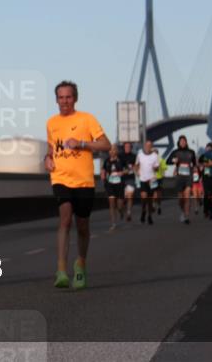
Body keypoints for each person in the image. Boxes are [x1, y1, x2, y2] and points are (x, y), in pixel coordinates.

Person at [45, 81, 111, 289]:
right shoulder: (51, 123)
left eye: (68, 97)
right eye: (61, 97)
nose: (64, 101)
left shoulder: (86, 119)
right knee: (65, 219)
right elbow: (51, 148)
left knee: (82, 225)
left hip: (83, 180)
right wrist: (47, 158)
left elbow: (106, 144)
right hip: (60, 178)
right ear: (56, 99)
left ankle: (80, 263)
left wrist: (81, 143)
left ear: (75, 98)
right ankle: (61, 270)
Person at [169, 135, 197, 224]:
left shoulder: (191, 152)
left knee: (187, 196)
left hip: (188, 177)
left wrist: (195, 170)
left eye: (184, 141)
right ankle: (183, 211)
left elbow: (194, 164)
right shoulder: (175, 152)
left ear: (186, 142)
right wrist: (174, 160)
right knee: (181, 199)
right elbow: (168, 161)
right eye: (181, 141)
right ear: (179, 143)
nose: (183, 143)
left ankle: (187, 216)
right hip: (179, 178)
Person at [135, 139, 161, 225]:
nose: (148, 147)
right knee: (144, 197)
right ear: (144, 146)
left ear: (151, 147)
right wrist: (137, 172)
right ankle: (143, 211)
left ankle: (149, 216)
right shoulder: (140, 154)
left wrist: (155, 168)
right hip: (143, 179)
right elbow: (136, 165)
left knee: (150, 200)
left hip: (152, 180)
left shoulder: (154, 155)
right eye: (147, 145)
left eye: (150, 145)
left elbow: (157, 168)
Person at [100, 144, 125, 230]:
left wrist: (122, 173)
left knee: (119, 206)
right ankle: (113, 223)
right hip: (109, 184)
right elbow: (103, 170)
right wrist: (103, 176)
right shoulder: (106, 161)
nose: (111, 151)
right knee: (111, 203)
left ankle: (121, 211)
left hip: (119, 184)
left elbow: (128, 169)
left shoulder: (121, 159)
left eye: (113, 150)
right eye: (110, 150)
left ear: (117, 151)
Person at [118, 141, 138, 221]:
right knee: (121, 201)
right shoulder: (119, 156)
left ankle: (129, 213)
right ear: (124, 147)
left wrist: (135, 169)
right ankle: (121, 210)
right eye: (126, 147)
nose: (128, 148)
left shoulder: (134, 156)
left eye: (129, 147)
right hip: (120, 180)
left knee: (130, 196)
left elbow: (136, 167)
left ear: (131, 148)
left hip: (130, 179)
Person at [200, 141, 212, 219]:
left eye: (210, 149)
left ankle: (211, 210)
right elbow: (200, 164)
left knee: (211, 195)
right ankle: (206, 211)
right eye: (207, 148)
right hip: (205, 177)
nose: (208, 150)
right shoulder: (203, 156)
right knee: (206, 194)